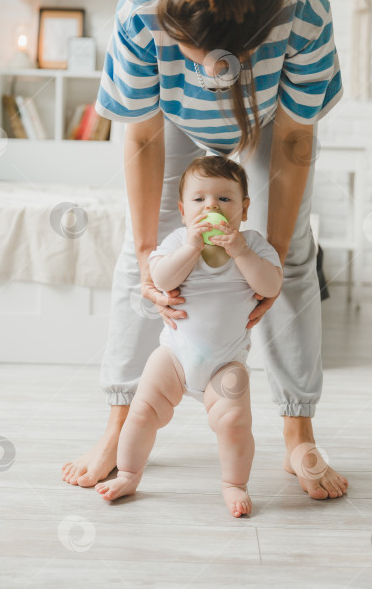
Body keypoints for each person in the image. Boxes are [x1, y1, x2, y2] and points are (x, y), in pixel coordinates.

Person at [62, 0, 349, 500]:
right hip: (168, 120)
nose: (203, 69)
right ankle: (119, 425)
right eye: (190, 49)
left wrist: (263, 254)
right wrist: (149, 251)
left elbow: (295, 139)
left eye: (213, 57)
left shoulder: (302, 13)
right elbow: (140, 132)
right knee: (143, 254)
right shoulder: (143, 7)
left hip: (271, 118)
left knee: (289, 253)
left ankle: (299, 432)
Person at [95, 156, 283, 517]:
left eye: (224, 199)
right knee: (141, 412)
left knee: (234, 422)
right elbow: (162, 279)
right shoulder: (178, 240)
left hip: (226, 362)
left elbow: (271, 285)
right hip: (174, 355)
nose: (211, 206)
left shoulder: (254, 245)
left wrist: (239, 250)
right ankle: (130, 474)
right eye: (199, 200)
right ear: (183, 211)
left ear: (244, 209)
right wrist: (191, 247)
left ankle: (234, 484)